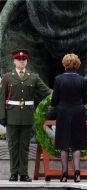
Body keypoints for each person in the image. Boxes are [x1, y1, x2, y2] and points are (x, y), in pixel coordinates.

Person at [0, 49, 51, 182]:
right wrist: (2, 116)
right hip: (12, 115)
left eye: (23, 60)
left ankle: (23, 173)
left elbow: (47, 91)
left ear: (26, 61)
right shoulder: (7, 77)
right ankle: (13, 173)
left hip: (27, 116)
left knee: (25, 146)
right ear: (14, 61)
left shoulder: (33, 77)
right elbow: (2, 98)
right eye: (19, 60)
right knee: (13, 146)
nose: (21, 62)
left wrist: (63, 93)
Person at [51, 53, 87, 182]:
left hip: (63, 113)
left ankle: (64, 174)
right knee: (76, 145)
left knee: (63, 144)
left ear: (64, 64)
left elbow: (54, 101)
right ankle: (77, 172)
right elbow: (85, 100)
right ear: (77, 65)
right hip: (78, 112)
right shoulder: (82, 80)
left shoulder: (58, 79)